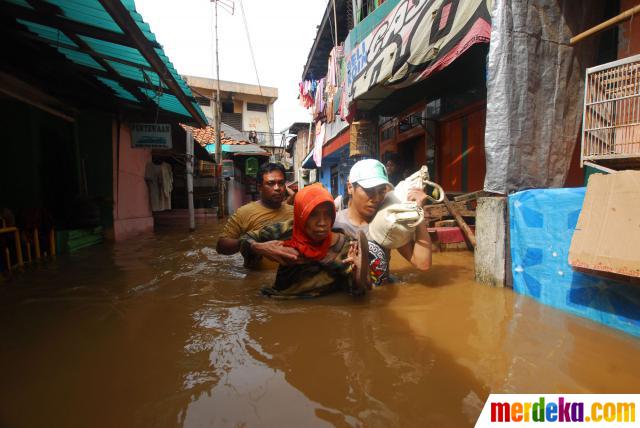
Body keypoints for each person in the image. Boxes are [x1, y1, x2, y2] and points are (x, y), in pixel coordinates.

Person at [239, 184, 369, 298]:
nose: (322, 223)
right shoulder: (287, 230)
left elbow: (357, 296)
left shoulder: (348, 246)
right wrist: (261, 248)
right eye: (313, 214)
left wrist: (358, 275)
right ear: (301, 215)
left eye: (328, 214)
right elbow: (244, 240)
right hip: (278, 303)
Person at [334, 158, 432, 286]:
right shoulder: (333, 224)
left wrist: (418, 211)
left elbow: (422, 263)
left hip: (383, 294)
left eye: (381, 191)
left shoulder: (388, 222)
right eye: (369, 191)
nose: (376, 198)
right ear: (350, 188)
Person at [216, 162, 293, 267]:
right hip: (258, 278)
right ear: (259, 187)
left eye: (281, 183)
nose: (277, 188)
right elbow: (221, 246)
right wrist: (251, 245)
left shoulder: (296, 212)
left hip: (290, 278)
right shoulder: (244, 213)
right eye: (270, 183)